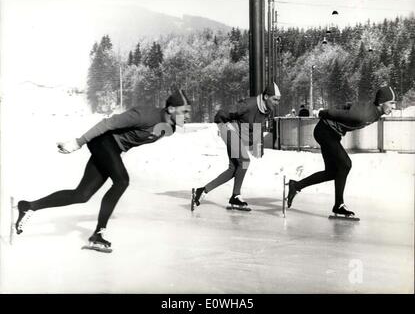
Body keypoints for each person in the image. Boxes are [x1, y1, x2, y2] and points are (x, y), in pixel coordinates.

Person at [15, 88, 192, 252]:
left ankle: (28, 206)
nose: (189, 115)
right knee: (122, 181)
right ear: (170, 109)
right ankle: (98, 234)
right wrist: (78, 142)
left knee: (82, 195)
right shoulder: (145, 115)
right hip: (103, 141)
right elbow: (108, 123)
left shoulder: (170, 128)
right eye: (185, 111)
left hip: (112, 149)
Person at [286, 86, 396, 217]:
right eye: (391, 103)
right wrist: (322, 112)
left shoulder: (375, 112)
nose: (394, 107)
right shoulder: (365, 114)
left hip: (331, 133)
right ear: (381, 102)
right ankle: (338, 204)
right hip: (325, 131)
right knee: (345, 164)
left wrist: (345, 107)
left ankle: (296, 186)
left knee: (332, 172)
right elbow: (341, 113)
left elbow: (349, 106)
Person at [191, 82, 281, 211]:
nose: (277, 103)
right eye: (275, 99)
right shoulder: (249, 105)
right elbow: (225, 112)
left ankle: (202, 191)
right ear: (266, 97)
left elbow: (254, 125)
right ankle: (236, 194)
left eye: (278, 100)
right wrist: (221, 124)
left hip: (238, 133)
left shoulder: (266, 109)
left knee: (234, 168)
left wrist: (257, 144)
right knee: (244, 161)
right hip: (227, 128)